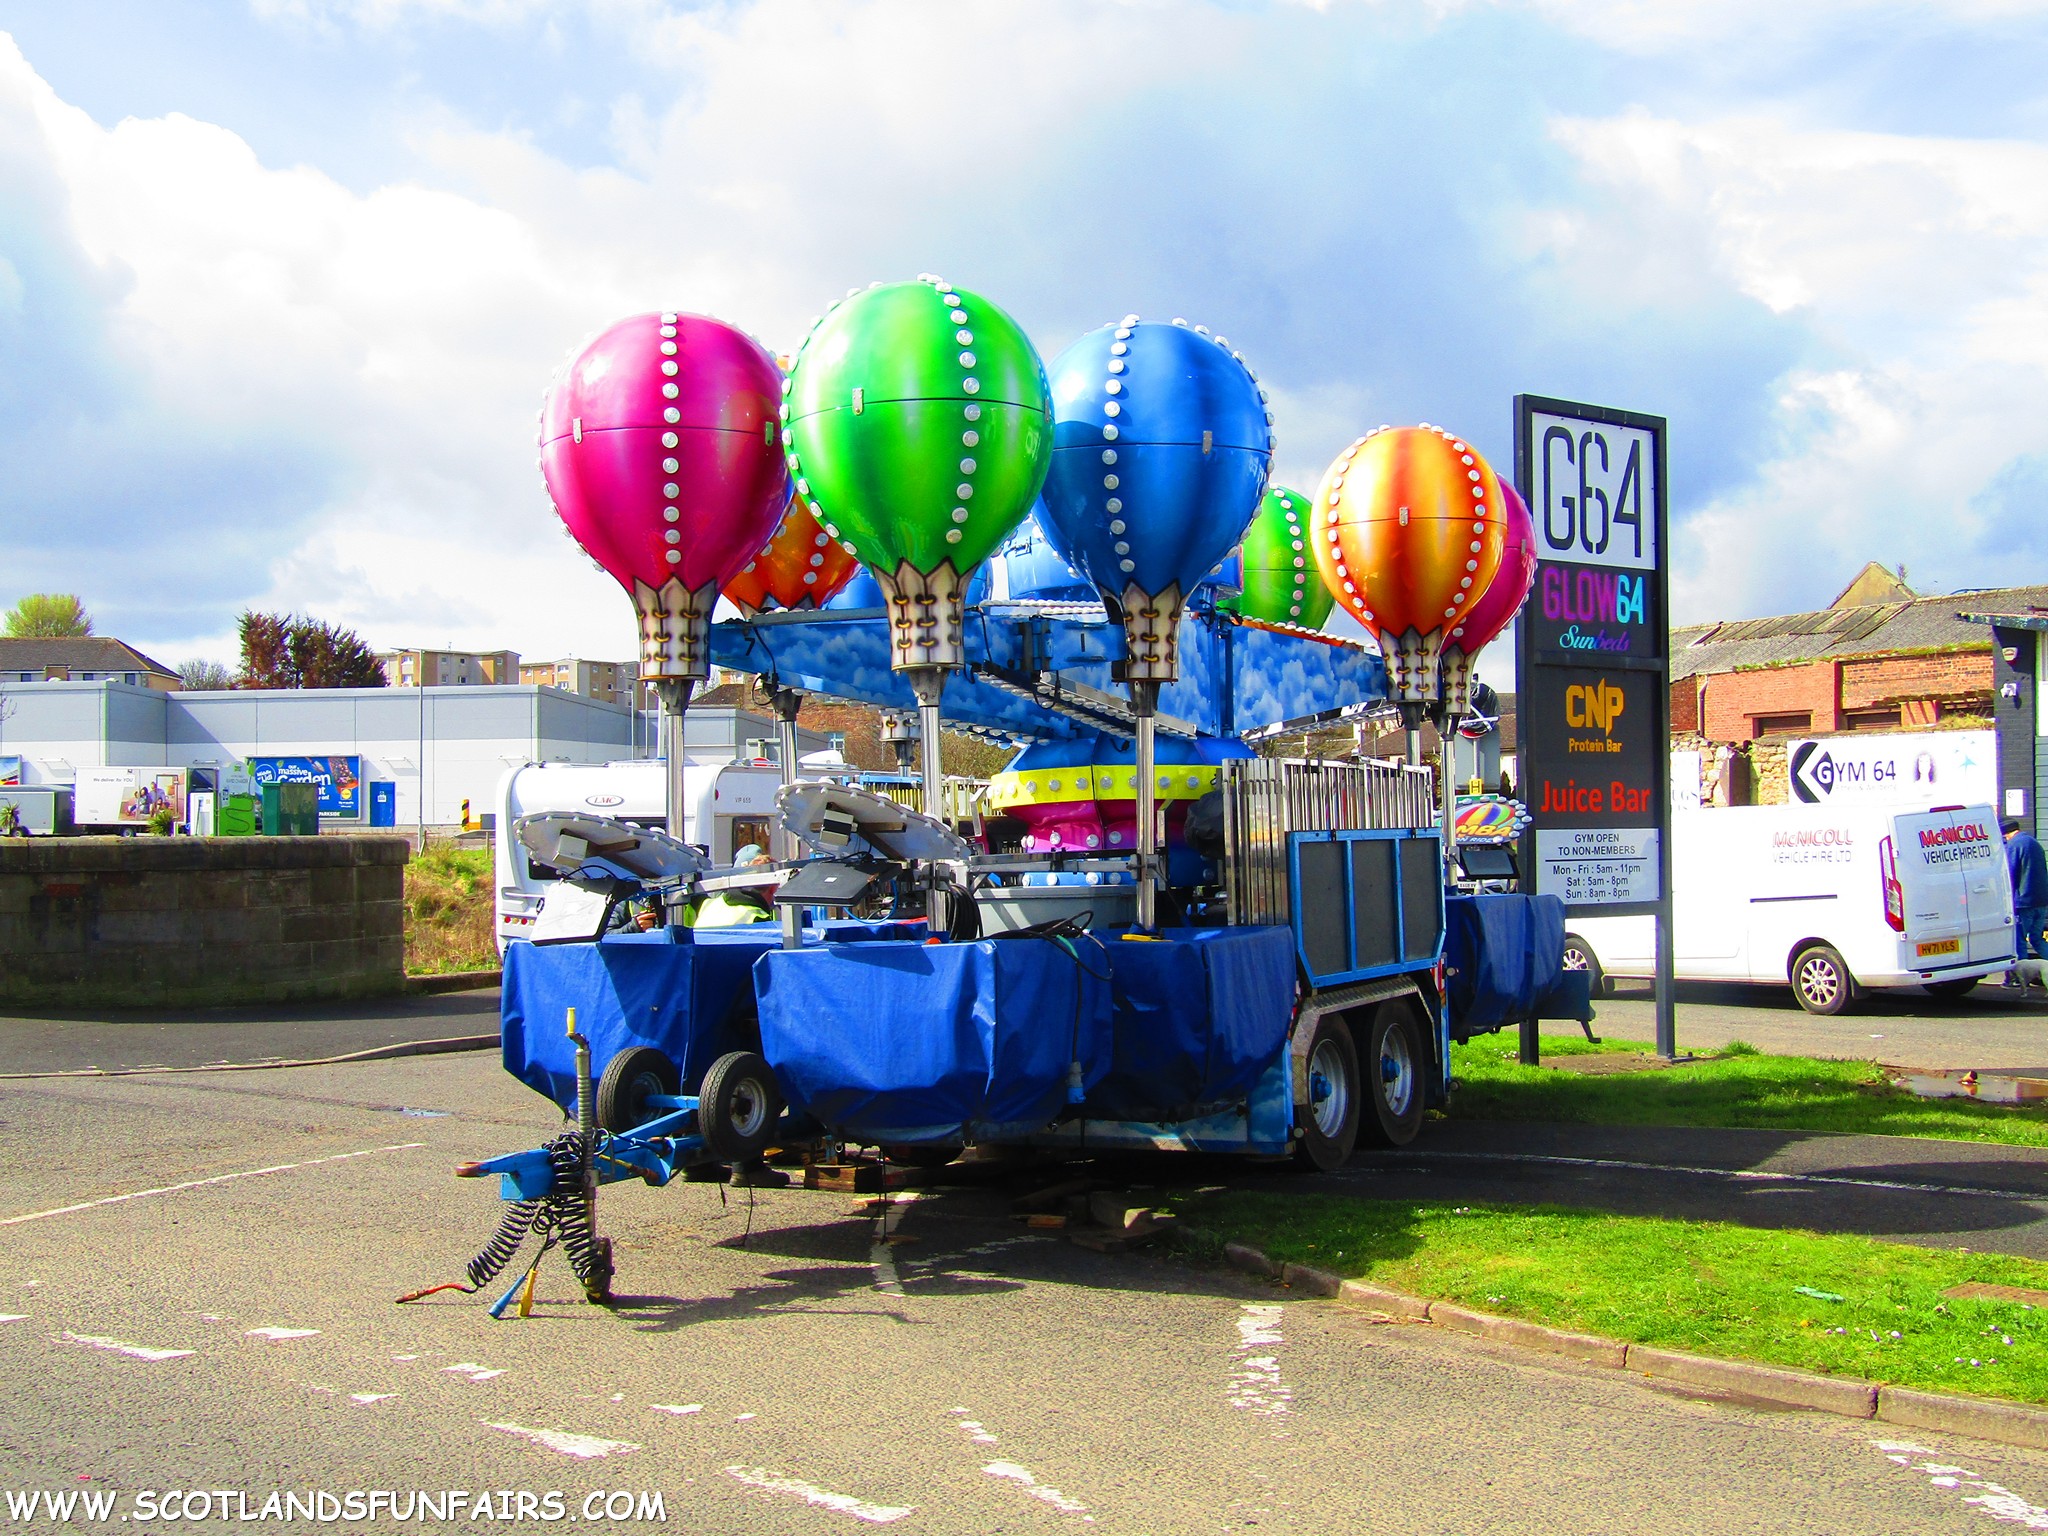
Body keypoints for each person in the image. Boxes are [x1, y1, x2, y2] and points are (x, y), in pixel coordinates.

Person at [2004, 818, 2048, 982]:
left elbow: (2011, 874)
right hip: (2042, 900)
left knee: (2019, 940)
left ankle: (2018, 979)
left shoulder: (2015, 845)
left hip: (2024, 902)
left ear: (2007, 834)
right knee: (2037, 938)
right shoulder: (2034, 843)